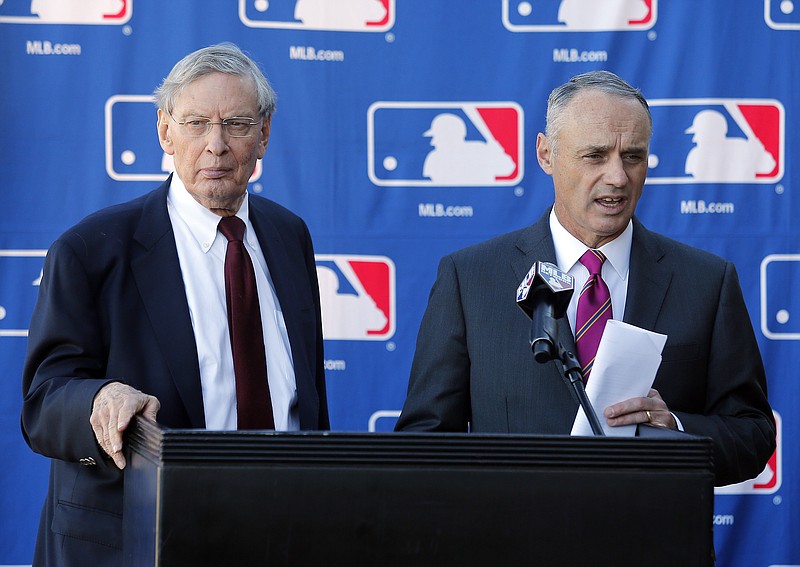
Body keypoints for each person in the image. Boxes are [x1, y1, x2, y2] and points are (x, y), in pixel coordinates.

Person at [21, 43, 329, 566]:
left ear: (264, 134)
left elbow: (306, 401)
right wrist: (98, 398)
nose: (216, 146)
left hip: (281, 533)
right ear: (164, 130)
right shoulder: (92, 250)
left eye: (235, 123)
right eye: (194, 124)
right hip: (144, 542)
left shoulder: (289, 236)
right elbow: (44, 403)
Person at [395, 70, 775, 487]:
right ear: (546, 155)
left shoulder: (707, 281)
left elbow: (752, 435)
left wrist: (676, 430)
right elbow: (423, 445)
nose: (617, 177)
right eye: (595, 156)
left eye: (632, 156)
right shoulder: (470, 280)